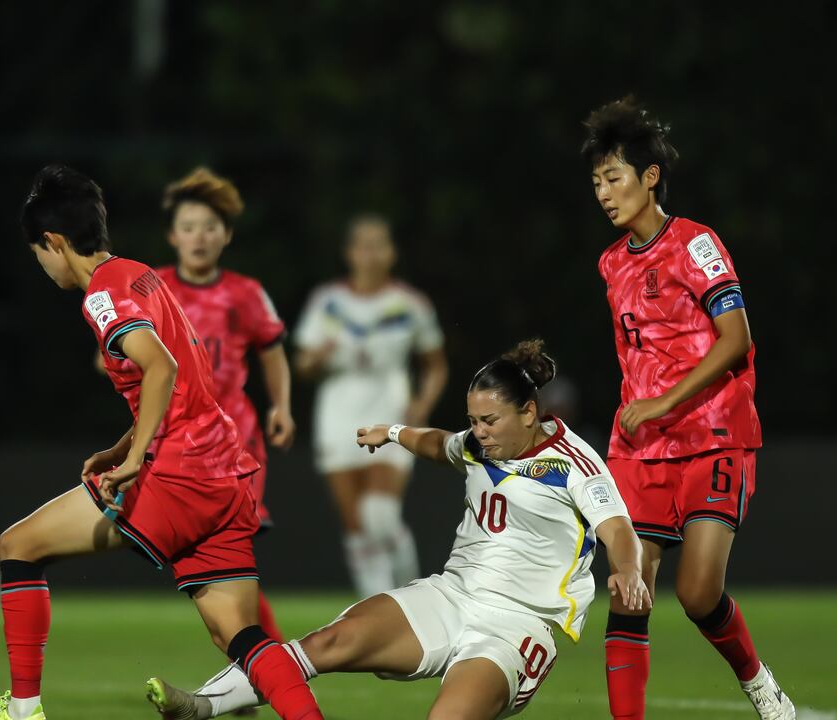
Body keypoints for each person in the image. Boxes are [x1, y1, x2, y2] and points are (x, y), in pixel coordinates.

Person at [0, 165, 323, 720]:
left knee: (17, 546)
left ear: (55, 242)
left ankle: (23, 711)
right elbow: (181, 377)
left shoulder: (101, 298)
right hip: (226, 474)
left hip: (178, 472)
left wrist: (136, 459)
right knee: (241, 637)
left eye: (38, 252)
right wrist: (124, 442)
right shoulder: (140, 275)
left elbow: (159, 367)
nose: (41, 265)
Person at [147, 340, 651, 720]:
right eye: (474, 420)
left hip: (515, 629)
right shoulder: (479, 444)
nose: (479, 431)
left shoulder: (575, 463)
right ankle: (204, 706)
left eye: (490, 420)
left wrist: (627, 570)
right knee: (329, 643)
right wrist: (391, 433)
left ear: (529, 411)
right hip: (451, 596)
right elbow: (439, 444)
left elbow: (616, 526)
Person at [583, 96, 795, 719]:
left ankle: (759, 683)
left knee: (700, 594)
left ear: (650, 178)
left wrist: (662, 402)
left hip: (714, 433)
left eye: (614, 177)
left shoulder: (697, 243)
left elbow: (737, 341)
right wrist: (640, 416)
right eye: (596, 181)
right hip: (644, 449)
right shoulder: (611, 264)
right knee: (629, 589)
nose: (603, 192)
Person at [154, 167, 294, 643]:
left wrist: (282, 407)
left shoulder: (245, 293)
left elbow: (272, 352)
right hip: (176, 444)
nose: (199, 237)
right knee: (212, 577)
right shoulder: (151, 289)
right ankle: (264, 664)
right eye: (189, 227)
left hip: (236, 444)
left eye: (210, 227)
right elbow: (112, 352)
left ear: (226, 236)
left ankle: (262, 667)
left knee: (227, 563)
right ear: (173, 235)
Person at [293, 214, 448, 597]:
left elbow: (435, 365)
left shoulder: (409, 304)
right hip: (337, 412)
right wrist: (314, 360)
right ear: (349, 253)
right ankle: (377, 611)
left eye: (379, 244)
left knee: (380, 514)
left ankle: (414, 596)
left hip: (389, 408)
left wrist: (422, 403)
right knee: (357, 527)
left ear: (391, 252)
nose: (371, 254)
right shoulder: (328, 302)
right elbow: (303, 363)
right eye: (363, 245)